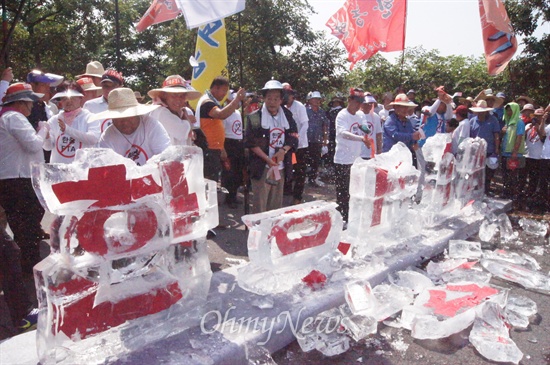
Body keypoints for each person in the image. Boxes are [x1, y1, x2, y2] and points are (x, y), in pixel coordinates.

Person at [0, 82, 48, 273]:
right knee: (28, 225)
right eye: (30, 102)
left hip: (11, 179)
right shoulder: (15, 118)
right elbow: (34, 145)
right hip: (20, 179)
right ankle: (30, 267)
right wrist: (43, 129)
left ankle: (26, 266)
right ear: (22, 103)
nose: (32, 106)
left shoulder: (7, 118)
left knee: (21, 225)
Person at [244, 80, 298, 213]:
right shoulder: (255, 118)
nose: (272, 102)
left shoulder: (287, 115)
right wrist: (267, 159)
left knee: (276, 205)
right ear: (264, 99)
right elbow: (251, 143)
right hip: (262, 167)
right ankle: (258, 231)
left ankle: (272, 231)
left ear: (281, 100)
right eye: (269, 98)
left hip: (281, 166)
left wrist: (283, 151)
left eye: (276, 99)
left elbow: (294, 136)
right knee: (260, 204)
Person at [95, 88, 170, 166]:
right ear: (112, 119)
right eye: (118, 118)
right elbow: (106, 167)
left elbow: (165, 157)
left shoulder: (152, 125)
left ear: (137, 114)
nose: (125, 122)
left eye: (129, 116)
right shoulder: (107, 137)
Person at [195, 76, 245, 182]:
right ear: (215, 88)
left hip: (214, 149)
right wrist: (237, 99)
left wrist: (221, 148)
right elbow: (221, 114)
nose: (224, 94)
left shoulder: (211, 102)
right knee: (209, 183)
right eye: (224, 90)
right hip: (208, 150)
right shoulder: (207, 102)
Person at [333, 88, 372, 223]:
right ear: (349, 100)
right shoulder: (342, 115)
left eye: (360, 102)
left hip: (356, 160)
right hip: (342, 159)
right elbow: (343, 133)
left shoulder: (360, 115)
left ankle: (351, 218)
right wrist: (361, 138)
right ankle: (341, 219)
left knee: (354, 191)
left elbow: (365, 127)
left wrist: (366, 130)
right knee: (342, 192)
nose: (358, 105)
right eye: (356, 102)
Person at [44, 88, 100, 163]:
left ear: (80, 98)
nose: (68, 101)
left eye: (73, 98)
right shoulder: (54, 120)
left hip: (81, 170)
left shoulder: (90, 117)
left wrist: (67, 130)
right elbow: (47, 147)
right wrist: (46, 137)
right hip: (58, 170)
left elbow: (93, 139)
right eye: (64, 99)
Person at [147, 75, 202, 146]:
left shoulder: (180, 111)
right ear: (165, 96)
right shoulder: (160, 111)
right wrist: (187, 118)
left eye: (181, 96)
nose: (178, 100)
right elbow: (183, 132)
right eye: (174, 95)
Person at [282, 83, 308, 203]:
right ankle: (286, 191)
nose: (287, 97)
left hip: (300, 145)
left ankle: (297, 196)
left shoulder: (299, 106)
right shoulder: (281, 107)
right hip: (287, 144)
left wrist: (297, 138)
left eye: (288, 94)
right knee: (287, 168)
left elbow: (305, 124)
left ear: (292, 96)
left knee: (300, 171)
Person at [469, 100, 500, 195]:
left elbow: (496, 135)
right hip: (476, 151)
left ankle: (486, 190)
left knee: (488, 172)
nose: (480, 114)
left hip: (489, 150)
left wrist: (496, 149)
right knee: (476, 172)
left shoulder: (493, 120)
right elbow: (470, 136)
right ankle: (476, 190)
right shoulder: (472, 121)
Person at [221, 91, 245, 208]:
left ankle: (234, 196)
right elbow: (221, 132)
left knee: (237, 172)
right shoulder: (224, 113)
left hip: (238, 144)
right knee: (228, 173)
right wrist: (222, 149)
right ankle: (228, 199)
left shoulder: (237, 113)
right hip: (228, 143)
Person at [382, 93, 421, 164]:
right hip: (391, 157)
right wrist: (412, 136)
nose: (405, 109)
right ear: (396, 107)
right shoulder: (390, 120)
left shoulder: (408, 122)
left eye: (406, 107)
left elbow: (411, 138)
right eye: (402, 107)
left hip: (403, 157)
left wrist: (415, 141)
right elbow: (395, 135)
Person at [84, 69, 124, 133]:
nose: (109, 89)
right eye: (105, 86)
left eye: (112, 86)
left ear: (120, 87)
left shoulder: (127, 105)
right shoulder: (90, 105)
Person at [519, 107, 544, 210]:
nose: (537, 118)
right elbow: (522, 137)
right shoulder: (528, 125)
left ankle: (531, 197)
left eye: (539, 117)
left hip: (538, 157)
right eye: (535, 116)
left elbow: (542, 137)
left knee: (534, 179)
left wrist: (538, 127)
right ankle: (520, 196)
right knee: (522, 177)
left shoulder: (545, 126)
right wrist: (527, 129)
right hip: (527, 155)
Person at [500, 102, 525, 203]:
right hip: (505, 152)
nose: (509, 112)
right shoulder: (508, 122)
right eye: (507, 110)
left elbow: (519, 137)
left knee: (513, 175)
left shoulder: (519, 122)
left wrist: (515, 151)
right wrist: (502, 132)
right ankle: (506, 193)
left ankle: (514, 195)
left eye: (510, 110)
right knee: (505, 174)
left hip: (514, 153)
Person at [305, 91, 329, 187]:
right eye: (315, 99)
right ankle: (302, 179)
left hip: (317, 140)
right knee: (305, 160)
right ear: (310, 100)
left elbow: (325, 126)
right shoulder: (305, 111)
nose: (316, 101)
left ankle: (312, 179)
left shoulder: (322, 112)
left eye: (318, 99)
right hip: (306, 140)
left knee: (315, 161)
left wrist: (325, 140)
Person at [358, 93, 382, 159]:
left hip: (372, 153)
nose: (368, 106)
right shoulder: (356, 115)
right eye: (366, 104)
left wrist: (379, 150)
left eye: (370, 104)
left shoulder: (376, 117)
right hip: (359, 153)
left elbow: (378, 134)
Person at [537, 104, 550, 212]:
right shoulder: (549, 126)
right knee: (544, 181)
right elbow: (541, 133)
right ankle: (543, 203)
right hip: (545, 157)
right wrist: (543, 120)